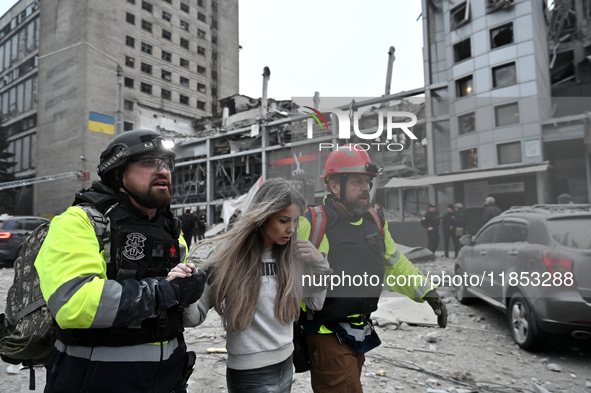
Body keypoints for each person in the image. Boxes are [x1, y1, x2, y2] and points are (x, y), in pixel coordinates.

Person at [35, 129, 207, 393]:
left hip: (168, 378)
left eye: (166, 163)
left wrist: (191, 290)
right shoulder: (77, 222)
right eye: (149, 162)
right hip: (96, 379)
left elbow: (182, 313)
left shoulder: (171, 231)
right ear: (117, 173)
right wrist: (167, 291)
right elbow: (73, 304)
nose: (162, 171)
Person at [297, 144, 447, 393]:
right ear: (335, 186)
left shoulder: (375, 221)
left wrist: (427, 293)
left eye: (367, 182)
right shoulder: (313, 222)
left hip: (359, 333)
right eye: (357, 181)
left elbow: (395, 265)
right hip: (326, 334)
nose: (366, 188)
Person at [168, 178, 329, 393]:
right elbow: (193, 318)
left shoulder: (294, 258)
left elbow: (315, 304)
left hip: (286, 363)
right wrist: (186, 288)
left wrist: (320, 264)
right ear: (262, 217)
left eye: (295, 221)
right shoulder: (227, 258)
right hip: (249, 374)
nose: (291, 229)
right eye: (283, 220)